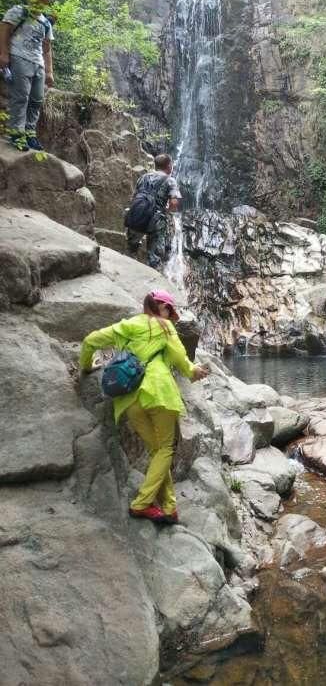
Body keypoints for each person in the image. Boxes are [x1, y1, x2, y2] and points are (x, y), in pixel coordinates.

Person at [79, 290, 209, 523]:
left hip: (129, 399)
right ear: (162, 307)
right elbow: (180, 358)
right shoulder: (164, 327)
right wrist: (193, 372)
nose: (171, 315)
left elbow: (89, 341)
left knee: (157, 450)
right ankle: (141, 503)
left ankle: (169, 507)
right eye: (170, 309)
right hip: (159, 393)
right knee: (166, 449)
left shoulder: (127, 325)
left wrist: (86, 368)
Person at [0, 0, 54, 151]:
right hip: (19, 57)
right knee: (21, 97)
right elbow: (4, 30)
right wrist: (4, 54)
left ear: (46, 1)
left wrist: (50, 71)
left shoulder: (46, 22)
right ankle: (16, 133)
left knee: (37, 99)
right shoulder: (19, 11)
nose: (39, 1)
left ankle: (30, 133)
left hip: (38, 63)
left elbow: (47, 48)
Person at [126, 153, 181, 269]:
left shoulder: (143, 177)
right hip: (156, 220)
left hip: (137, 214)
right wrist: (167, 211)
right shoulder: (170, 181)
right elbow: (174, 203)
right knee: (154, 256)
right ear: (169, 166)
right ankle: (154, 277)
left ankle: (129, 271)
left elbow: (134, 197)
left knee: (132, 249)